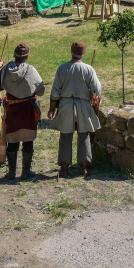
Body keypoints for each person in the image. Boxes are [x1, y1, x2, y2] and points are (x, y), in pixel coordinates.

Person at [47, 42, 102, 178]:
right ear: (83, 54)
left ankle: (64, 169)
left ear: (71, 52)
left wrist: (52, 108)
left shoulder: (62, 68)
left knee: (65, 136)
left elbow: (55, 92)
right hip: (83, 105)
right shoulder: (88, 69)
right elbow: (97, 90)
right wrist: (92, 96)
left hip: (65, 105)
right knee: (84, 135)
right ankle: (84, 168)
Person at [0, 44, 45, 180]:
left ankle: (12, 173)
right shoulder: (31, 70)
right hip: (27, 111)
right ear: (26, 56)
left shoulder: (6, 70)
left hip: (13, 111)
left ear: (14, 55)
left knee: (13, 141)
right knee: (28, 141)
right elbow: (40, 91)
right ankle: (26, 172)